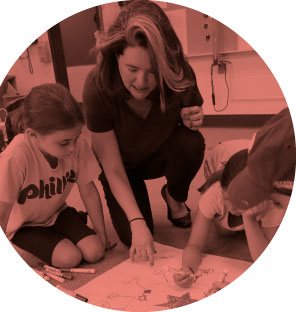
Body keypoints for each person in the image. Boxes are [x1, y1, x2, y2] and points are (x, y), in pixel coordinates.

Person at [82, 0, 205, 265]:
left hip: (159, 153)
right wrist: (137, 223)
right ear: (116, 56)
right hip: (121, 168)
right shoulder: (96, 86)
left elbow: (192, 115)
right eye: (132, 69)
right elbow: (112, 168)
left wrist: (194, 116)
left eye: (152, 72)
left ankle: (174, 199)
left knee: (192, 142)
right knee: (136, 236)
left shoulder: (178, 70)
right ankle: (139, 216)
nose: (141, 82)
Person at [0, 83, 110, 268]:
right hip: (25, 225)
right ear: (33, 136)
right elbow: (0, 214)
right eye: (64, 142)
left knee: (95, 251)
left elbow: (88, 191)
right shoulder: (15, 156)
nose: (72, 148)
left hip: (57, 212)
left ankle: (72, 221)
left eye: (76, 137)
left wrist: (102, 233)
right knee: (69, 258)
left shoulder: (77, 145)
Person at [174, 137, 291, 288]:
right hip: (221, 155)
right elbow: (195, 244)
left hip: (255, 159)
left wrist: (249, 219)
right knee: (223, 230)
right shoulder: (214, 192)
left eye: (241, 202)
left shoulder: (272, 203)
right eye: (228, 198)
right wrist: (187, 270)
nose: (234, 209)